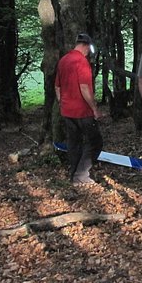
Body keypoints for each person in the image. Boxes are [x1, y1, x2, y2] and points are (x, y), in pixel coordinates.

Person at [54, 33, 104, 185]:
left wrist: (62, 103)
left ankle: (74, 173)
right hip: (82, 111)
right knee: (96, 142)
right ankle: (81, 175)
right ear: (86, 46)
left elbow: (57, 86)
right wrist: (94, 108)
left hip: (67, 110)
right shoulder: (81, 61)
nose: (88, 52)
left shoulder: (63, 60)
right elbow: (84, 88)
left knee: (74, 142)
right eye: (89, 48)